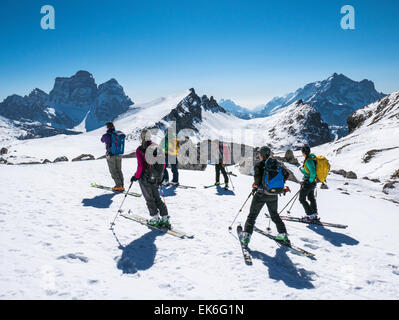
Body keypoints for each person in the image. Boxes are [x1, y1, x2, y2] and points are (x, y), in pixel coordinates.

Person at [241, 146, 290, 245]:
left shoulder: (259, 165)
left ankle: (246, 237)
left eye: (259, 154)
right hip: (273, 194)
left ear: (261, 155)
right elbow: (286, 174)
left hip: (261, 194)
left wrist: (255, 185)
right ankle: (283, 234)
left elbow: (258, 181)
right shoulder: (277, 165)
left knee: (252, 216)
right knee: (274, 215)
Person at [131, 129, 170, 228]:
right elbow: (163, 163)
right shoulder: (157, 146)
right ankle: (165, 219)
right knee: (157, 198)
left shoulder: (140, 149)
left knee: (149, 198)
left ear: (142, 137)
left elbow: (140, 166)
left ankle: (155, 219)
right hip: (157, 177)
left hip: (146, 178)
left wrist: (136, 176)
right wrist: (160, 175)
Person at [101, 122, 124, 192]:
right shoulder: (118, 134)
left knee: (113, 171)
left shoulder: (106, 135)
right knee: (119, 170)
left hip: (111, 155)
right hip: (119, 154)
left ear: (107, 127)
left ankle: (118, 186)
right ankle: (121, 185)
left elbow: (102, 140)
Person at [299, 145, 318, 221]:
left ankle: (310, 215)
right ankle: (314, 214)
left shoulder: (309, 161)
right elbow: (310, 171)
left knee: (301, 199)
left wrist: (309, 181)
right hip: (312, 182)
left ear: (304, 152)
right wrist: (303, 170)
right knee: (311, 198)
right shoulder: (311, 158)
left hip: (309, 182)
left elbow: (313, 172)